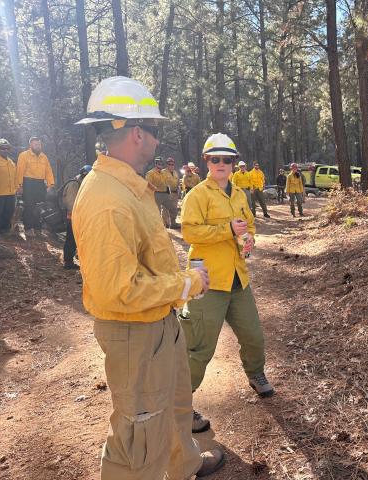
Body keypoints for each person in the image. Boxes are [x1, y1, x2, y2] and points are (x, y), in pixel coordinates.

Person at [73, 76, 225, 480]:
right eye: (154, 131)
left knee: (174, 406)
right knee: (139, 433)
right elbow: (118, 291)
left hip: (159, 323)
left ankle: (184, 466)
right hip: (134, 333)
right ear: (137, 133)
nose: (158, 141)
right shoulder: (106, 199)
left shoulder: (129, 187)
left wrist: (179, 277)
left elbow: (144, 261)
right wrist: (186, 285)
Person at [180, 132, 275, 433]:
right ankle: (180, 405)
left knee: (253, 336)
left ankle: (256, 374)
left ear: (234, 163)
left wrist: (248, 240)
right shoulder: (196, 195)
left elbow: (250, 227)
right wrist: (227, 230)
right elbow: (190, 233)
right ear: (206, 162)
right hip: (207, 282)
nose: (221, 163)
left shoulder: (239, 194)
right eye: (215, 159)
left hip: (238, 279)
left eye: (227, 159)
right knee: (199, 349)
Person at [17, 136, 55, 237]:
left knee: (39, 206)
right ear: (30, 145)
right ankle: (29, 229)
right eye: (35, 144)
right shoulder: (24, 155)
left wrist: (50, 184)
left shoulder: (44, 157)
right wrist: (19, 185)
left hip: (40, 184)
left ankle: (38, 229)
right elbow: (19, 171)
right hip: (28, 183)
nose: (38, 146)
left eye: (39, 144)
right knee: (29, 206)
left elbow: (48, 170)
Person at [60, 165, 91, 269]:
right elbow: (71, 203)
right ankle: (68, 262)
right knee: (71, 240)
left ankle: (78, 258)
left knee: (79, 240)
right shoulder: (74, 185)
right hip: (73, 218)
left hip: (80, 217)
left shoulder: (81, 184)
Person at [0, 139, 17, 236]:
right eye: (2, 148)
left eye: (7, 148)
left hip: (11, 192)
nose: (5, 150)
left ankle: (5, 230)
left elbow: (15, 176)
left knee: (8, 212)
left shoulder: (11, 162)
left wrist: (17, 187)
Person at [146, 157, 179, 228]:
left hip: (165, 194)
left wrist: (169, 193)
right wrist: (153, 188)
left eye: (161, 163)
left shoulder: (163, 173)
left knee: (173, 209)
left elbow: (167, 184)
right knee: (156, 212)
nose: (160, 164)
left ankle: (173, 224)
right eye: (158, 163)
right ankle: (156, 227)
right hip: (156, 194)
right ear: (155, 164)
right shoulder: (151, 173)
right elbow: (147, 183)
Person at [163, 157, 181, 228]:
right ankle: (165, 223)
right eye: (169, 164)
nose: (171, 165)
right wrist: (167, 193)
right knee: (165, 209)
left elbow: (178, 182)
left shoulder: (175, 172)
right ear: (167, 165)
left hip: (175, 193)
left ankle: (173, 223)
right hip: (166, 193)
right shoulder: (163, 172)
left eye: (172, 164)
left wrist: (178, 189)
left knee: (174, 209)